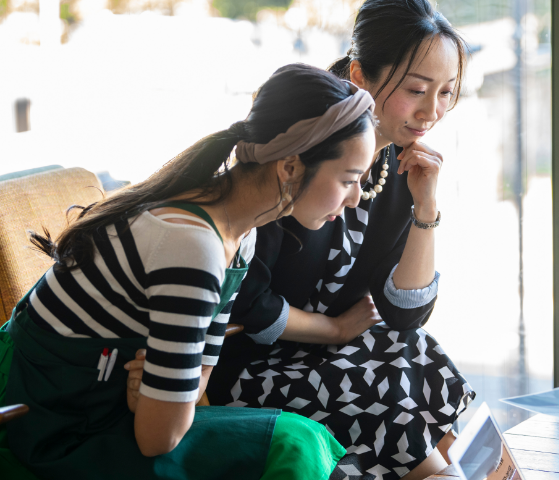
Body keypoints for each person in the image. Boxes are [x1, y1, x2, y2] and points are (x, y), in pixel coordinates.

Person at [0, 63, 377, 480]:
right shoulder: (192, 246)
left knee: (296, 441)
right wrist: (154, 398)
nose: (356, 198)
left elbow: (195, 387)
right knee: (294, 445)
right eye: (348, 179)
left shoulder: (238, 235)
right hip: (43, 424)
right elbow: (157, 438)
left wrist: (155, 395)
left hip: (94, 403)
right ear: (289, 167)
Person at [204, 1, 474, 479]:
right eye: (416, 89)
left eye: (447, 93)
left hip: (330, 355)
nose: (431, 111)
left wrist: (425, 210)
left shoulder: (396, 164)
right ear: (359, 76)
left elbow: (403, 313)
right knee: (380, 391)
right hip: (254, 364)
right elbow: (244, 297)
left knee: (421, 355)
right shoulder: (304, 149)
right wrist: (331, 331)